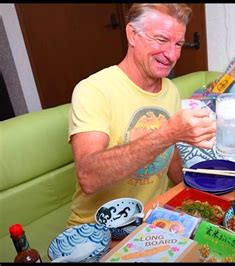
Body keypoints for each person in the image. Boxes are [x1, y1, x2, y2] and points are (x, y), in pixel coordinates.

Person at [66, 4, 216, 227]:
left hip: (153, 218)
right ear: (132, 34)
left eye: (178, 44)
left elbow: (172, 153)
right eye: (162, 39)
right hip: (97, 230)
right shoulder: (93, 90)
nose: (172, 54)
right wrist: (168, 134)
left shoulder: (170, 90)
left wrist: (191, 193)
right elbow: (89, 177)